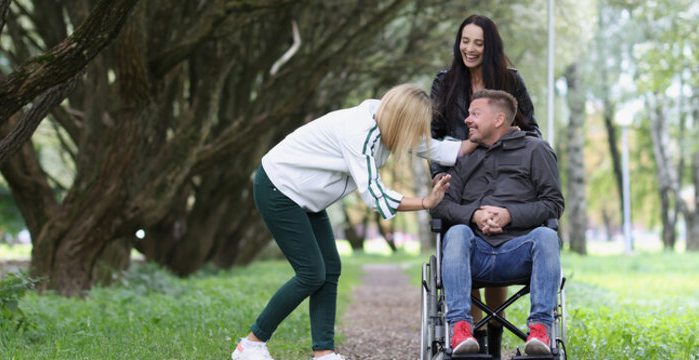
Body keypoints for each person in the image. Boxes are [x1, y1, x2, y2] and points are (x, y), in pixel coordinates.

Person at [233, 84, 475, 360]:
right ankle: (251, 343)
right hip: (280, 187)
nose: (416, 137)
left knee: (330, 269)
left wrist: (486, 137)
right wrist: (424, 202)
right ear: (402, 121)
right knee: (311, 273)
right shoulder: (360, 132)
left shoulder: (389, 120)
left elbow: (440, 150)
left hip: (308, 197)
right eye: (415, 128)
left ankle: (323, 353)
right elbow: (375, 196)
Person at [428, 15, 541, 353]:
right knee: (464, 240)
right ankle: (471, 338)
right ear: (458, 43)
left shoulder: (511, 80)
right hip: (460, 176)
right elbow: (431, 137)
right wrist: (438, 173)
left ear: (489, 46)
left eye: (478, 42)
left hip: (505, 177)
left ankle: (493, 336)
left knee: (498, 237)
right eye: (465, 41)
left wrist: (513, 140)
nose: (470, 48)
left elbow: (532, 130)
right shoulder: (444, 83)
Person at [430, 89, 564, 356]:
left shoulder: (536, 150)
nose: (467, 120)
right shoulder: (465, 156)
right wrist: (474, 216)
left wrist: (509, 214)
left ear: (498, 119)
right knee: (456, 232)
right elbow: (442, 204)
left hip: (518, 252)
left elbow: (554, 204)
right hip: (473, 252)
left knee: (547, 236)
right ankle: (459, 329)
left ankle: (540, 330)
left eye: (475, 113)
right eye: (468, 114)